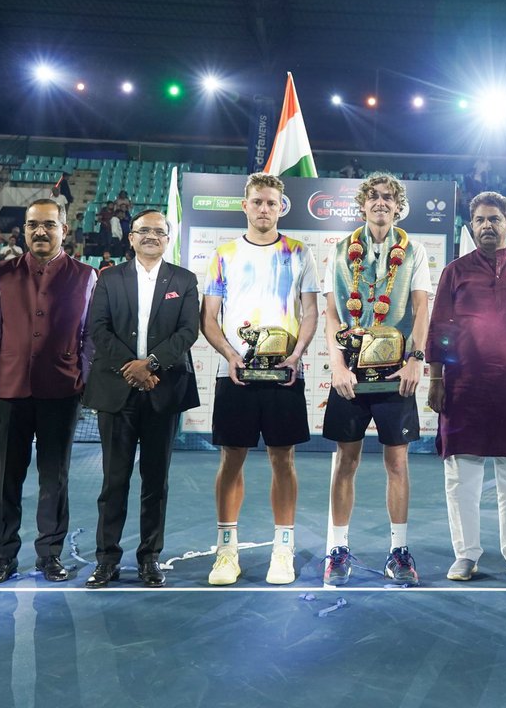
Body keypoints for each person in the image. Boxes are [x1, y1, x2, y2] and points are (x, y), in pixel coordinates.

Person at [427, 191, 506, 582]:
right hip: (464, 388)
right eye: (480, 220)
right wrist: (436, 379)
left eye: (494, 219)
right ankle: (465, 554)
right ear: (471, 225)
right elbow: (440, 330)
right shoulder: (455, 271)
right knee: (461, 475)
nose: (487, 226)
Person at [200, 173, 319, 586]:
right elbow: (208, 318)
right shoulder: (224, 254)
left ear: (279, 207)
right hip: (235, 373)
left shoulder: (300, 253)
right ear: (245, 205)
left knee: (282, 459)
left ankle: (282, 549)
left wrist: (296, 356)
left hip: (284, 374)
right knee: (231, 458)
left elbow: (310, 313)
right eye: (257, 202)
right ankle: (226, 552)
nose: (264, 209)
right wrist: (232, 355)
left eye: (271, 203)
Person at [0, 199, 96, 584]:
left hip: (62, 392)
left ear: (64, 229)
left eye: (48, 225)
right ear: (24, 230)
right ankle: (4, 555)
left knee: (54, 478)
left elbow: (91, 337)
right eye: (32, 226)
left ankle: (49, 555)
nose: (40, 232)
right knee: (6, 480)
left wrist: (85, 382)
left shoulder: (86, 276)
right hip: (10, 391)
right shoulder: (4, 273)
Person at [321, 173, 430, 586]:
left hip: (395, 368)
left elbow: (421, 309)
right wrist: (336, 365)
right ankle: (337, 548)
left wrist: (416, 359)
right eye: (374, 197)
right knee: (345, 461)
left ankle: (399, 551)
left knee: (397, 462)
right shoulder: (339, 249)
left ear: (398, 206)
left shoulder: (414, 250)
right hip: (350, 367)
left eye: (389, 198)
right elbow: (332, 313)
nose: (381, 203)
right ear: (363, 205)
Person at [83, 210, 200, 589]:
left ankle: (149, 558)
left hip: (161, 392)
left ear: (168, 239)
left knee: (156, 481)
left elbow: (188, 332)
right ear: (130, 238)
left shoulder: (184, 280)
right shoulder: (108, 278)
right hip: (117, 392)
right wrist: (130, 368)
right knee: (113, 480)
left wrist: (149, 365)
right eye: (144, 231)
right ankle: (107, 560)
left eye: (159, 232)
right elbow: (97, 329)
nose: (151, 236)